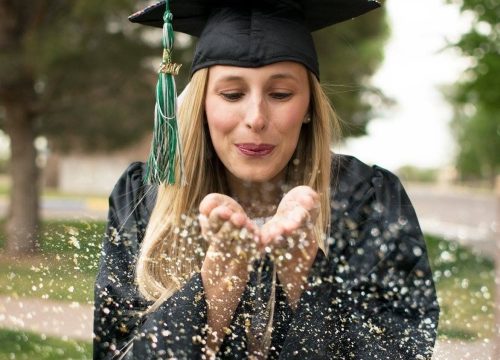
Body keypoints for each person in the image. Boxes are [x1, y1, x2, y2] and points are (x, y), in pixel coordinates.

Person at [93, 1, 440, 359]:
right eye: (232, 94)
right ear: (202, 104)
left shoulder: (364, 201)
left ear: (308, 107)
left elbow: (403, 350)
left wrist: (304, 271)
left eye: (280, 94)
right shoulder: (145, 199)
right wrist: (213, 290)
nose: (256, 118)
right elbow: (114, 350)